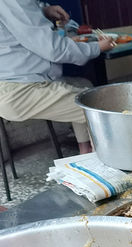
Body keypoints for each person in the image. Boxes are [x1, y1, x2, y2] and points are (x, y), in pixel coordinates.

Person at [0, 1, 115, 154]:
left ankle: (85, 150)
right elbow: (54, 49)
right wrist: (97, 48)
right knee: (102, 109)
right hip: (20, 90)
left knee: (84, 85)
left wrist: (43, 11)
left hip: (17, 82)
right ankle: (107, 159)